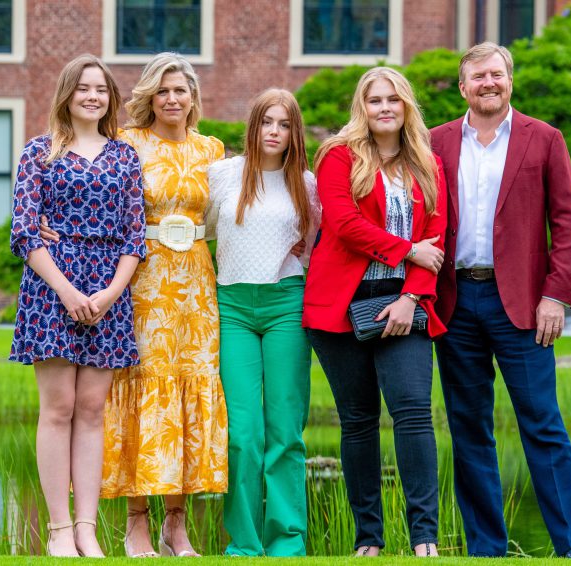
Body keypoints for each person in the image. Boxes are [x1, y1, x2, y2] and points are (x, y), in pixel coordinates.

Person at [40, 52, 228, 557]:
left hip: (196, 286)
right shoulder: (127, 144)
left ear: (193, 97)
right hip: (139, 283)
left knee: (188, 395)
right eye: (162, 90)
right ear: (149, 96)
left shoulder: (212, 150)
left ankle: (177, 525)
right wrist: (45, 222)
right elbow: (96, 198)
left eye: (180, 90)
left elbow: (229, 214)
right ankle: (136, 522)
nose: (172, 98)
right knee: (140, 396)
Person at [429, 42, 571, 558]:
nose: (488, 83)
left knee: (542, 425)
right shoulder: (434, 142)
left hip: (523, 306)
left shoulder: (544, 139)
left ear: (510, 80)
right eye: (478, 76)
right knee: (468, 428)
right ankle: (486, 549)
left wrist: (555, 295)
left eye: (496, 74)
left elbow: (567, 222)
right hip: (455, 302)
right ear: (463, 87)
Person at [303, 67, 447, 557]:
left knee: (413, 412)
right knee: (358, 421)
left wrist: (411, 298)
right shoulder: (339, 156)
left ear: (407, 106)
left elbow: (436, 240)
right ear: (361, 108)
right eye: (374, 100)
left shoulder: (428, 163)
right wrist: (406, 250)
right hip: (341, 306)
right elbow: (343, 223)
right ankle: (369, 539)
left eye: (393, 99)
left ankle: (424, 537)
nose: (385, 108)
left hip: (406, 305)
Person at [9, 53, 146, 558]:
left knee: (91, 410)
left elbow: (135, 236)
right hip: (51, 288)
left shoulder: (125, 156)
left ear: (111, 98)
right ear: (66, 94)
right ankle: (59, 530)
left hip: (109, 289)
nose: (93, 96)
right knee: (58, 408)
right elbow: (24, 231)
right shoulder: (39, 152)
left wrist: (110, 293)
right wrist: (66, 290)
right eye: (84, 88)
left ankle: (88, 528)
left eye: (101, 89)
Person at [205, 88, 321, 556]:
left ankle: (287, 543)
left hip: (286, 306)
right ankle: (245, 545)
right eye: (267, 122)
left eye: (284, 124)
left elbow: (316, 244)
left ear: (295, 132)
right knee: (243, 433)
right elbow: (200, 230)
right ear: (253, 127)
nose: (275, 132)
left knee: (285, 429)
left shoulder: (306, 184)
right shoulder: (223, 174)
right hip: (232, 307)